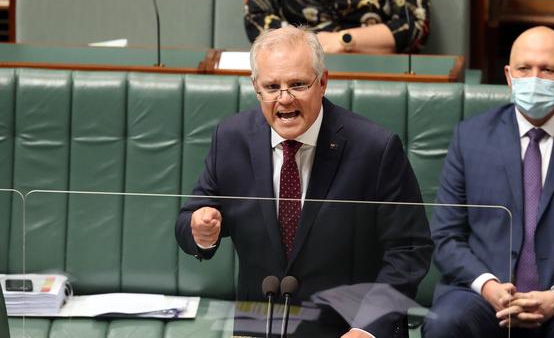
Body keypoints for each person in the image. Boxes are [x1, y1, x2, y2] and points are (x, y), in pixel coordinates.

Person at [176, 26, 433, 337]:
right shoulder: (231, 139)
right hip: (261, 323)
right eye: (272, 87)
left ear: (322, 82)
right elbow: (188, 222)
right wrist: (201, 231)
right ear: (256, 87)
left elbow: (409, 249)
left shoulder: (375, 149)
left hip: (347, 327)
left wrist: (367, 328)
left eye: (297, 84)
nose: (284, 99)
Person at [422, 26, 554, 338]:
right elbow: (444, 236)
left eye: (548, 69)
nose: (534, 78)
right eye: (525, 68)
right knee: (445, 325)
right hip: (483, 296)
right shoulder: (469, 138)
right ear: (509, 76)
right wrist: (488, 286)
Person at [243, 0, 430, 54]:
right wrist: (311, 45)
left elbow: (415, 25)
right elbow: (257, 20)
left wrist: (342, 41)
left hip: (376, 76)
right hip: (297, 73)